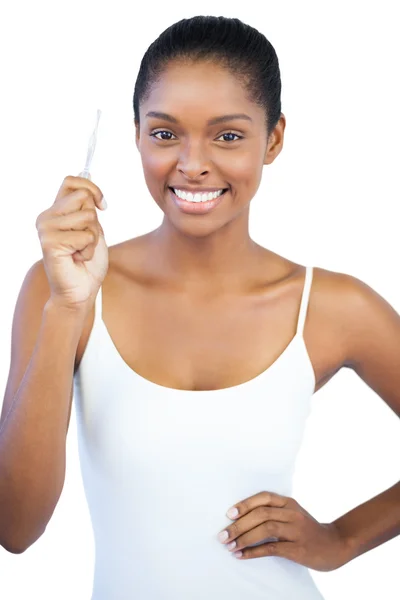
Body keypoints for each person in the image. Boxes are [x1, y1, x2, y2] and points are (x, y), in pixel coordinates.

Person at [1, 14, 399, 600]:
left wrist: (341, 540)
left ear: (275, 139)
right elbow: (16, 529)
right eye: (165, 134)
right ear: (136, 134)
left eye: (228, 135)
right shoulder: (62, 287)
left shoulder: (332, 307)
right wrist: (67, 307)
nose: (192, 163)